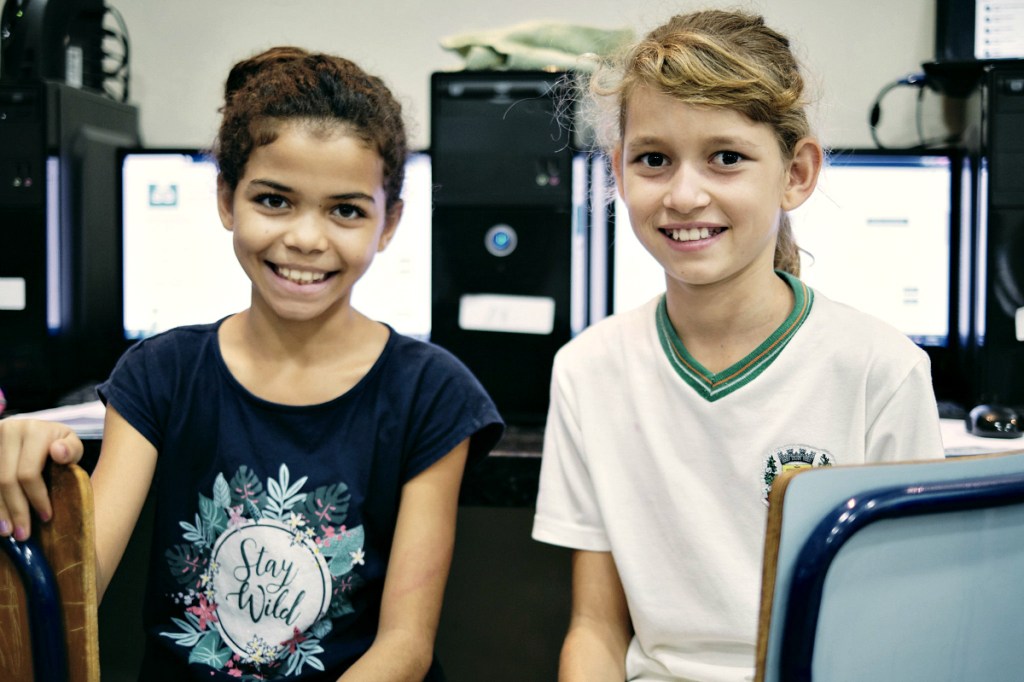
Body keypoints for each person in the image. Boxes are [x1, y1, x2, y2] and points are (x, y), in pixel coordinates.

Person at [0, 47, 503, 681]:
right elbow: (77, 595)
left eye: (346, 210)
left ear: (390, 222)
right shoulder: (161, 373)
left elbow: (404, 646)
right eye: (274, 200)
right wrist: (25, 488)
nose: (306, 238)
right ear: (225, 199)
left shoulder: (432, 393)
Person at [531, 10, 944, 682]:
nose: (684, 194)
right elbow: (595, 631)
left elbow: (902, 635)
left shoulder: (880, 370)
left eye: (726, 158)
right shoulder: (589, 369)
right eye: (654, 160)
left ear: (796, 173)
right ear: (618, 172)